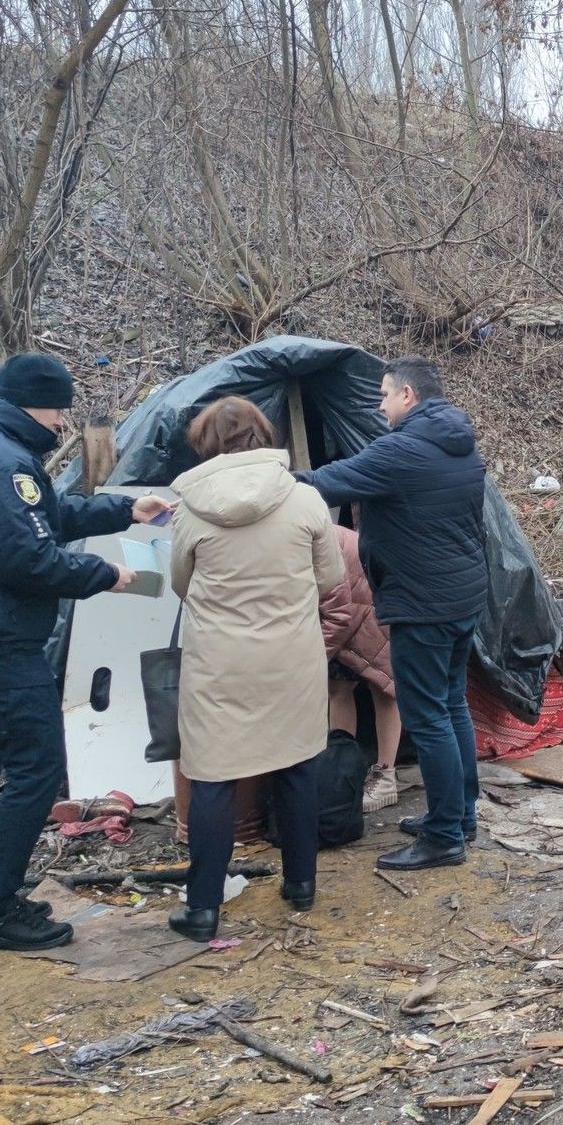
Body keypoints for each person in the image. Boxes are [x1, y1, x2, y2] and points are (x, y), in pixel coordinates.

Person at [0, 353, 173, 952]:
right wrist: (102, 574)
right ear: (36, 403)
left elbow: (41, 517)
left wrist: (124, 508)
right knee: (36, 769)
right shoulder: (5, 463)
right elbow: (29, 560)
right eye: (59, 409)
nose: (62, 422)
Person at [164, 397, 344, 940]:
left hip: (219, 664)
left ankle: (202, 908)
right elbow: (331, 577)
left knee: (214, 779)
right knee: (295, 766)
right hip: (291, 658)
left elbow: (180, 583)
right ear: (263, 436)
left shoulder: (191, 507)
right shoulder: (306, 498)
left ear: (206, 443)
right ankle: (301, 884)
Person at [299, 358, 488, 870]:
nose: (379, 406)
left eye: (384, 396)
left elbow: (322, 483)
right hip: (461, 595)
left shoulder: (403, 450)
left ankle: (445, 837)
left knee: (428, 717)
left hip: (423, 602)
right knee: (450, 707)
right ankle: (459, 816)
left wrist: (256, 481)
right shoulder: (459, 441)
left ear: (407, 395)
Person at [320, 523, 404, 809]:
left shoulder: (314, 537)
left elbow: (339, 614)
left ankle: (386, 776)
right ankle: (343, 771)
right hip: (350, 600)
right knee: (338, 687)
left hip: (374, 600)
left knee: (383, 685)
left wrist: (314, 658)